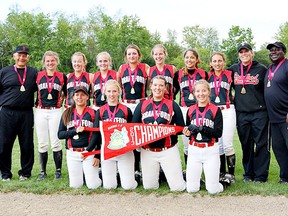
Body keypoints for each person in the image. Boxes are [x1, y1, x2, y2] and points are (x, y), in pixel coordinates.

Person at [132, 75, 186, 191]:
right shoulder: (142, 105)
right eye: (155, 85)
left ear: (165, 88)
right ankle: (161, 173)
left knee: (178, 188)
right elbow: (134, 127)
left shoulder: (172, 105)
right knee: (149, 187)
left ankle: (168, 172)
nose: (158, 88)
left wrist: (165, 130)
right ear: (150, 86)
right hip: (148, 150)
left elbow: (181, 128)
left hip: (168, 149)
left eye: (161, 85)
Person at [228, 43, 270, 183]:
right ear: (238, 55)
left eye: (247, 51)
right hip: (242, 113)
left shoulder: (262, 69)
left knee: (261, 144)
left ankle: (261, 176)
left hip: (260, 112)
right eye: (241, 52)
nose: (244, 54)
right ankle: (248, 174)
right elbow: (221, 81)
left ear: (252, 53)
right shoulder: (233, 69)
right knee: (246, 144)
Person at [183, 79, 230, 194]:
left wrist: (201, 128)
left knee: (213, 190)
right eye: (198, 91)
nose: (201, 94)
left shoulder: (215, 110)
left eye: (204, 91)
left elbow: (218, 133)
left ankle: (225, 182)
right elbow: (189, 130)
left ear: (209, 92)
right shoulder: (190, 110)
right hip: (194, 150)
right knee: (191, 189)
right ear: (194, 93)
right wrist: (187, 132)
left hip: (210, 150)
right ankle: (204, 180)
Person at [0, 45, 38, 181]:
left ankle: (25, 173)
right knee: (4, 144)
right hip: (7, 112)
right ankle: (5, 174)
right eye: (19, 55)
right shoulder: (4, 72)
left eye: (24, 55)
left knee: (27, 144)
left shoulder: (34, 73)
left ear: (28, 57)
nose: (22, 57)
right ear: (14, 56)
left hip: (26, 113)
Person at [92, 80, 138, 190]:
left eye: (114, 91)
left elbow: (132, 132)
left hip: (124, 151)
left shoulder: (126, 110)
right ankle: (115, 176)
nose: (111, 94)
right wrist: (97, 154)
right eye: (109, 91)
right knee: (109, 187)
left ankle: (132, 177)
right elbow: (97, 134)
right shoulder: (100, 111)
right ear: (105, 93)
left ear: (119, 92)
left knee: (128, 187)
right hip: (108, 151)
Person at [58, 86, 102, 189]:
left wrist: (96, 155)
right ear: (73, 97)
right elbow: (60, 135)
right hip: (72, 153)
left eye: (82, 95)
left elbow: (98, 135)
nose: (79, 97)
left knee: (93, 186)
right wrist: (75, 131)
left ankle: (98, 174)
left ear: (87, 97)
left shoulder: (93, 113)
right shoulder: (67, 113)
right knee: (75, 186)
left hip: (88, 152)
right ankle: (85, 174)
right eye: (77, 95)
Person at [117, 44, 150, 179]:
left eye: (134, 53)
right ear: (126, 56)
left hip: (140, 103)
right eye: (129, 54)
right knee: (128, 136)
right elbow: (119, 85)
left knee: (140, 135)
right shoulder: (122, 68)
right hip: (126, 104)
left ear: (139, 55)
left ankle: (143, 168)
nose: (132, 56)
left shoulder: (145, 67)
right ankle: (133, 168)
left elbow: (149, 85)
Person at [35, 51, 67, 181]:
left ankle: (58, 171)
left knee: (55, 141)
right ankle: (42, 172)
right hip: (41, 110)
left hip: (55, 110)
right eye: (47, 61)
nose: (50, 63)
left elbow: (66, 93)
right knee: (42, 142)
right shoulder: (38, 75)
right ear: (44, 62)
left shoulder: (62, 76)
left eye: (52, 60)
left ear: (56, 61)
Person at [173, 49, 207, 166]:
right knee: (186, 141)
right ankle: (189, 170)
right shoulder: (178, 74)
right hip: (184, 109)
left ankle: (204, 166)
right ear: (184, 59)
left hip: (199, 109)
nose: (189, 60)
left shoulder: (203, 73)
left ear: (197, 59)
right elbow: (174, 91)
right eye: (187, 57)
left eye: (192, 57)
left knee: (201, 138)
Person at [208, 52, 236, 182]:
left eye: (220, 61)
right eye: (214, 61)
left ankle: (231, 174)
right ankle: (221, 173)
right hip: (214, 111)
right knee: (218, 144)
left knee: (228, 144)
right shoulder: (207, 76)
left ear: (224, 62)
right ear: (211, 63)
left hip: (227, 110)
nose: (217, 63)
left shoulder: (230, 74)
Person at [264, 41, 288, 184]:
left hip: (285, 116)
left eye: (277, 49)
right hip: (273, 118)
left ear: (284, 52)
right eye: (271, 50)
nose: (273, 52)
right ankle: (285, 177)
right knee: (279, 148)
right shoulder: (270, 68)